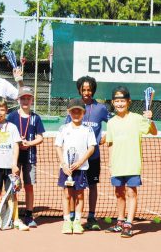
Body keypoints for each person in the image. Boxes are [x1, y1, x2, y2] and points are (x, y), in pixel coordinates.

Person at [104, 86, 157, 238]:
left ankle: (128, 224)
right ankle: (120, 222)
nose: (119, 103)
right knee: (119, 193)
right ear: (113, 103)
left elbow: (153, 132)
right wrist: (109, 164)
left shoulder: (137, 118)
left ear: (128, 102)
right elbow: (110, 143)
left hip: (132, 164)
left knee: (131, 192)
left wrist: (150, 118)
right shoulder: (111, 122)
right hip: (117, 165)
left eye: (122, 101)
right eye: (117, 101)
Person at [67, 76, 109, 231]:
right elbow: (66, 128)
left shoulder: (101, 108)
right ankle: (72, 216)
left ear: (93, 90)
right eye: (84, 89)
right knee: (73, 187)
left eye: (89, 89)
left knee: (92, 186)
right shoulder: (74, 106)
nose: (86, 92)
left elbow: (114, 122)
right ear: (79, 90)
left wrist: (107, 137)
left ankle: (91, 216)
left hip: (93, 156)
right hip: (76, 158)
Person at [55, 98, 95, 235]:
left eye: (79, 111)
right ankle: (67, 221)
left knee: (80, 195)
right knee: (66, 195)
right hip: (66, 169)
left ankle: (77, 221)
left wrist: (80, 162)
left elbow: (91, 148)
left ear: (83, 113)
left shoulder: (87, 130)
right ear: (69, 112)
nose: (76, 114)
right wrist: (64, 164)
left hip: (81, 169)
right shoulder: (63, 129)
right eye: (73, 111)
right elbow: (59, 147)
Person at [6, 86, 45, 228]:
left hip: (30, 158)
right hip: (14, 158)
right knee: (13, 186)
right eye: (23, 98)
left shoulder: (36, 118)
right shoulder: (11, 116)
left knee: (29, 186)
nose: (25, 100)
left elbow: (40, 137)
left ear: (32, 100)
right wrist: (17, 143)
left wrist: (29, 143)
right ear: (18, 99)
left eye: (28, 98)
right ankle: (13, 214)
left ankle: (28, 214)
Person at [0, 96, 29, 231]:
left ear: (6, 110)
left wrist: (14, 164)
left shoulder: (12, 127)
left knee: (12, 193)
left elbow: (16, 146)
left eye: (2, 109)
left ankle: (15, 219)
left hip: (9, 166)